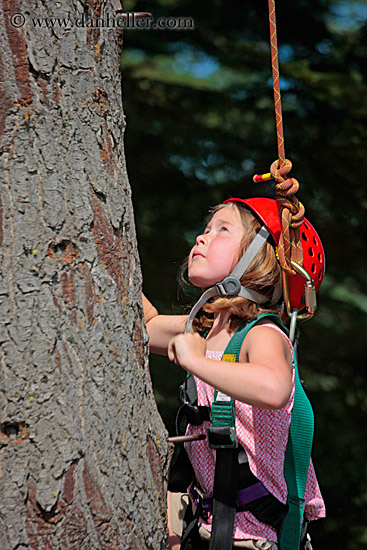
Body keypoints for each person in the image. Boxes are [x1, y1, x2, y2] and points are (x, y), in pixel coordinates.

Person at [143, 198, 326, 549]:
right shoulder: (202, 330)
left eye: (221, 230)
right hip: (212, 525)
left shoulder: (262, 334)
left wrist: (198, 363)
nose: (201, 237)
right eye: (206, 229)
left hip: (255, 536)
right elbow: (145, 326)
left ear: (258, 258)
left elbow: (275, 388)